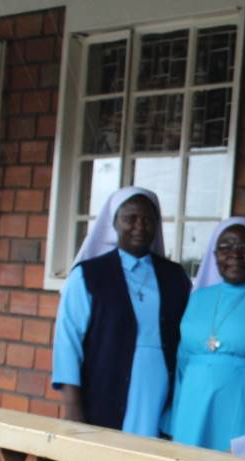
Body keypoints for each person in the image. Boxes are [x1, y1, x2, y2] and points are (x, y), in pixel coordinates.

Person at [52, 187, 191, 436]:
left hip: (160, 393)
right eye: (130, 218)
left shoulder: (174, 276)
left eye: (148, 219)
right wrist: (72, 406)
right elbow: (67, 342)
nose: (140, 226)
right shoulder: (88, 275)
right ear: (114, 223)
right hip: (106, 385)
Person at [169, 218, 245, 451]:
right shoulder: (197, 298)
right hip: (192, 409)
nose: (235, 255)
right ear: (214, 255)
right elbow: (182, 366)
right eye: (226, 248)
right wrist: (174, 422)